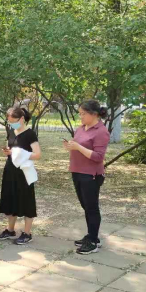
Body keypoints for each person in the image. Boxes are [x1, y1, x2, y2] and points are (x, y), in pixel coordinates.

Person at [64, 100, 110, 255]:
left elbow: (98, 157)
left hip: (91, 174)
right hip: (77, 171)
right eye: (80, 114)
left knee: (91, 207)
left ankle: (93, 241)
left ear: (94, 114)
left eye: (83, 114)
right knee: (86, 206)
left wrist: (78, 147)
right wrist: (70, 146)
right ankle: (91, 235)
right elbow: (78, 147)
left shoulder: (101, 131)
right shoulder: (81, 128)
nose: (81, 117)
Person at [0, 107, 42, 245]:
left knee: (26, 201)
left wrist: (18, 153)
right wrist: (8, 152)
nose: (11, 124)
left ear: (21, 119)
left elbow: (37, 154)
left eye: (13, 121)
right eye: (9, 122)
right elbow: (11, 148)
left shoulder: (30, 134)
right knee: (10, 199)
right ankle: (10, 230)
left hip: (24, 172)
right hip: (10, 170)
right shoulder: (11, 131)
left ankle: (27, 233)